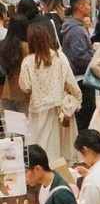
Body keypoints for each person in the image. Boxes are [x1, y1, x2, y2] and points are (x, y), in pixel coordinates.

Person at [19, 26, 81, 164]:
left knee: (39, 143)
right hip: (59, 109)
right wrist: (77, 100)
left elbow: (25, 86)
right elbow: (71, 82)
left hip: (38, 109)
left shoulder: (28, 61)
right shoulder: (60, 57)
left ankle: (39, 169)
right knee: (59, 148)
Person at [60, 0, 95, 132]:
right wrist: (94, 56)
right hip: (81, 81)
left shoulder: (76, 27)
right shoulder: (76, 31)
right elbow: (80, 57)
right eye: (88, 4)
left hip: (78, 79)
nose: (90, 7)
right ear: (81, 7)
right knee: (84, 121)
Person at [0, 14, 30, 113]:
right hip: (24, 95)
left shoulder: (4, 45)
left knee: (10, 122)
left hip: (7, 92)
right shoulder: (26, 47)